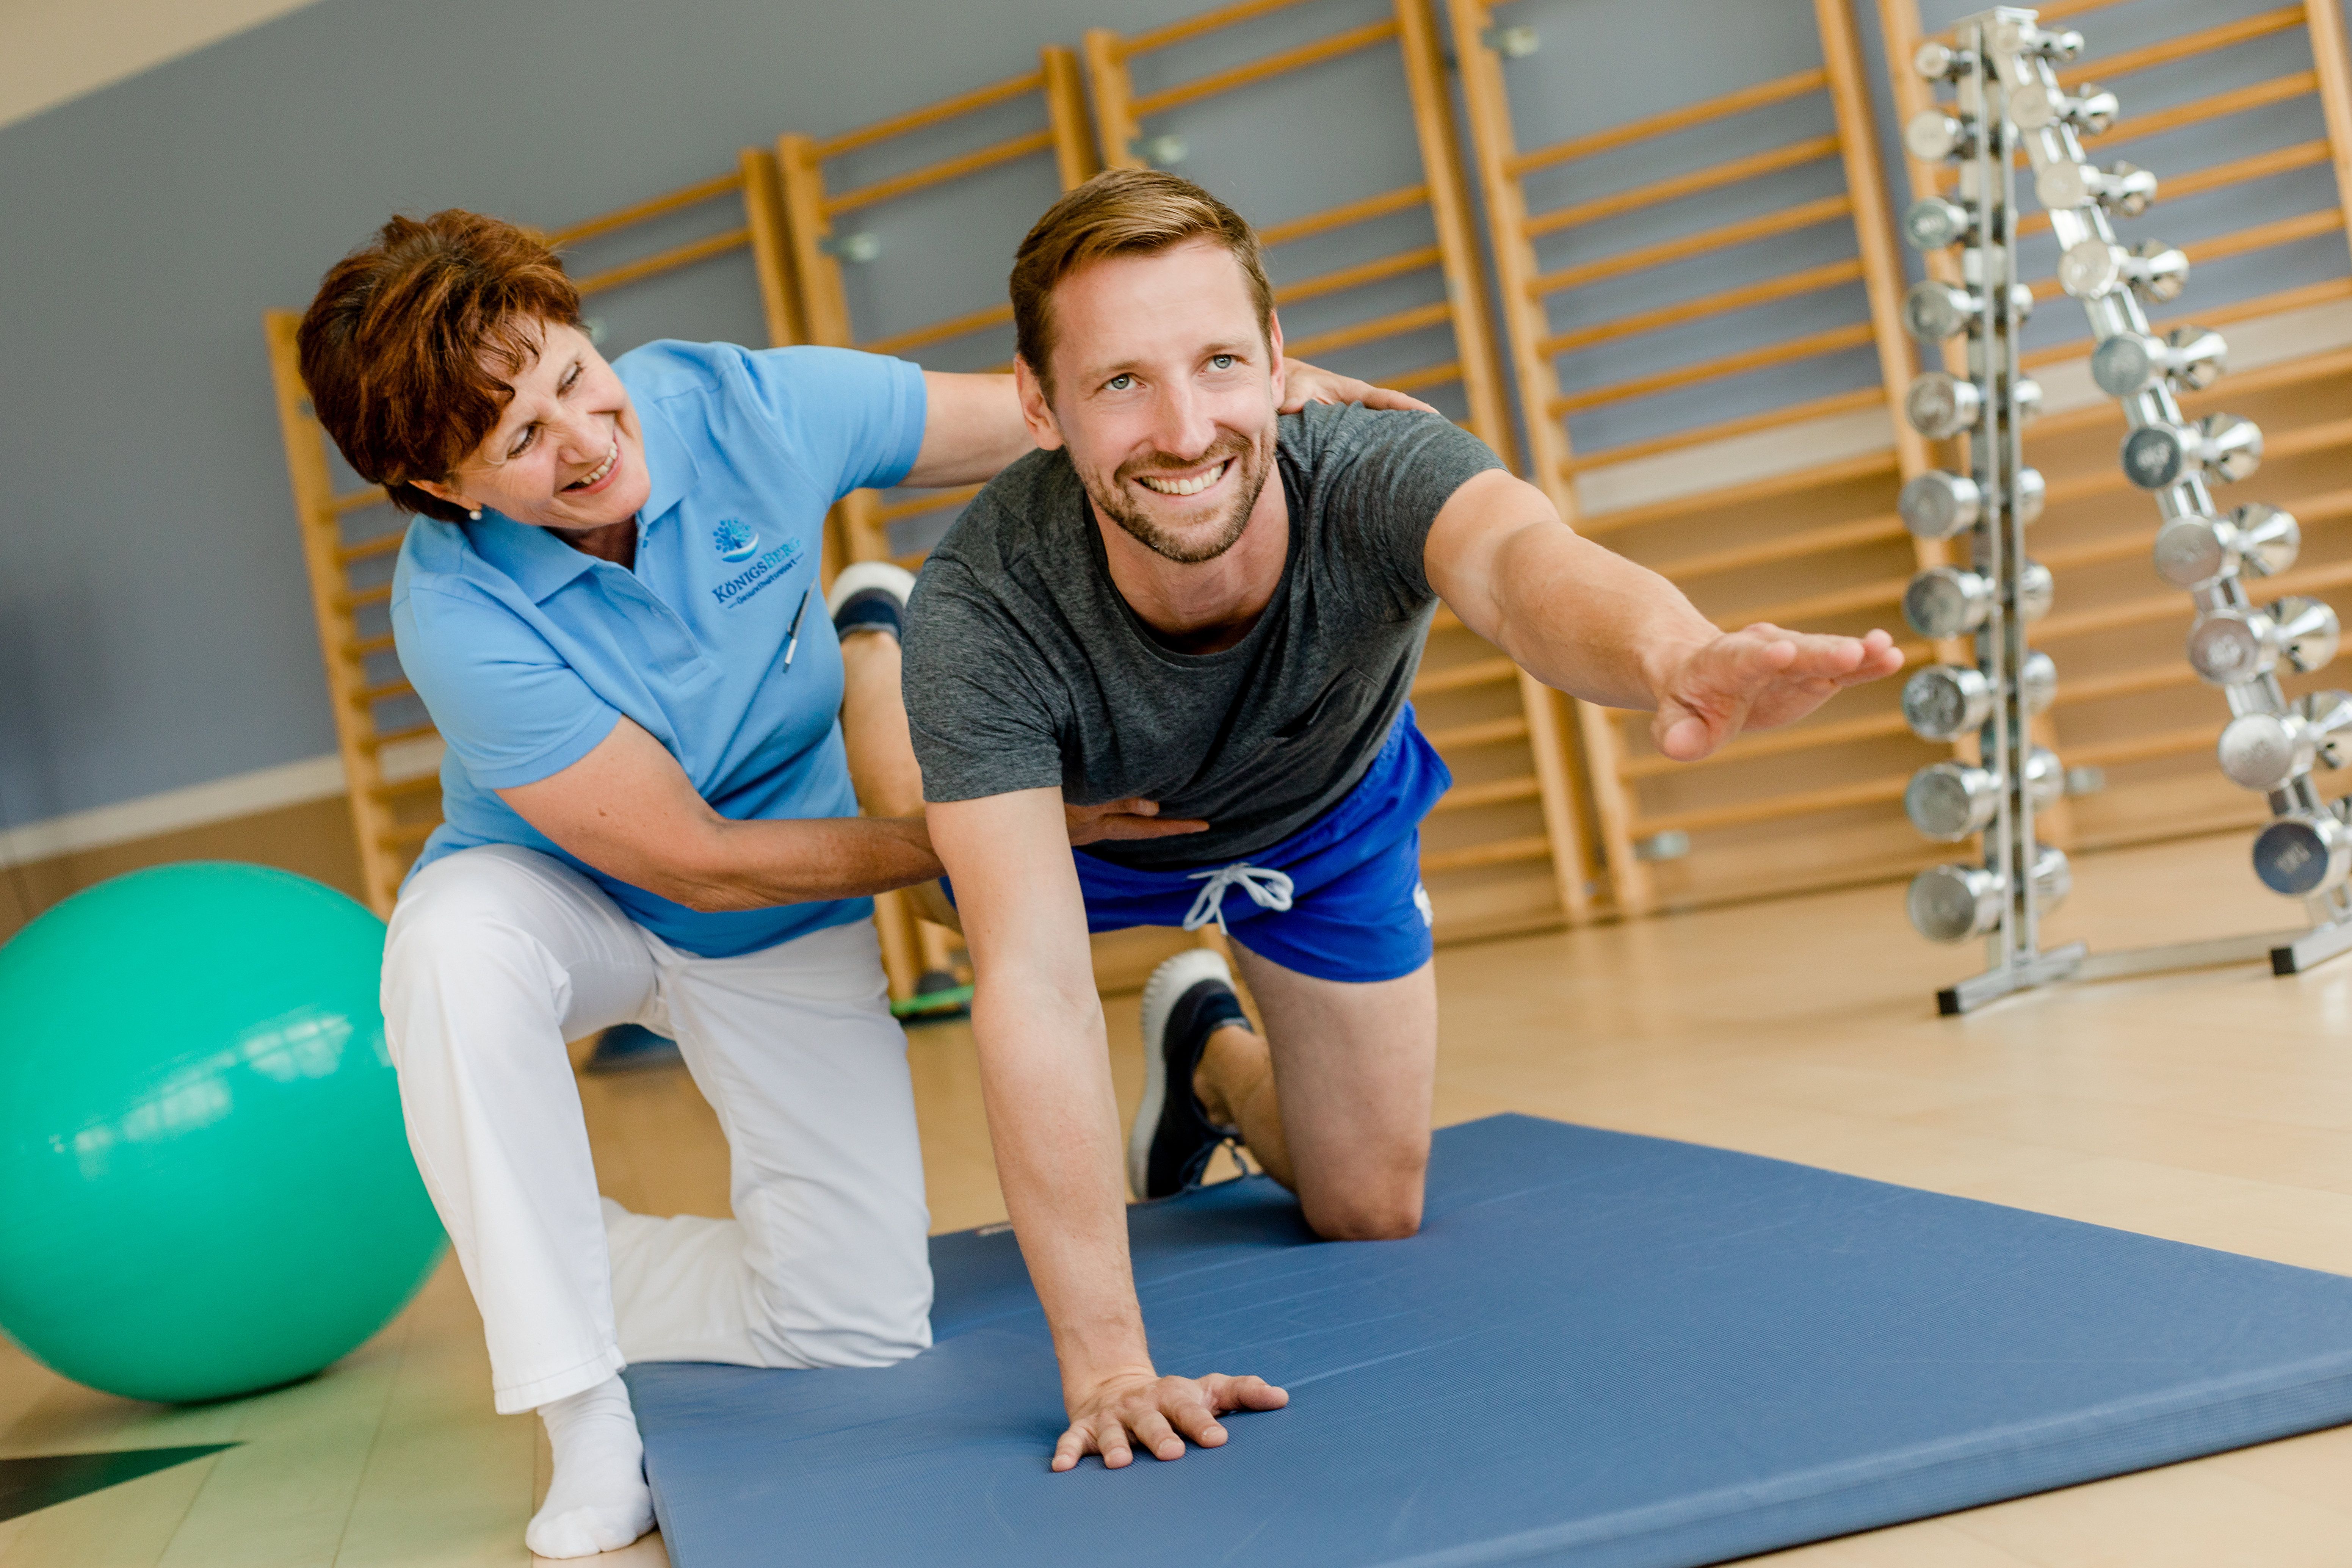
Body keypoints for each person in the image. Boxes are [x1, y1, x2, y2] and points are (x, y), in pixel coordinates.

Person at [294, 209, 1411, 1558]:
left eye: (574, 378)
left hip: (787, 897)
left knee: (855, 1322)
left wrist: (1288, 398)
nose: (586, 438)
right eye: (519, 439)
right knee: (447, 953)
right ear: (443, 487)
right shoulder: (455, 608)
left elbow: (1034, 409)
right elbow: (687, 860)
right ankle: (576, 1402)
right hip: (574, 890)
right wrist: (1003, 826)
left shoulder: (735, 405)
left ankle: (549, 1251)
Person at [899, 170, 1905, 1474]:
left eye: (1216, 363)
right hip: (1083, 832)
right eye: (1120, 383)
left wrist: (1677, 649)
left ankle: (1202, 1042)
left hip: (1319, 819)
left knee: (1369, 1204)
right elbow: (1032, 988)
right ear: (1040, 406)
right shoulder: (980, 611)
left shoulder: (1371, 467)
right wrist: (1109, 1366)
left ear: (1278, 360)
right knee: (929, 855)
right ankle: (863, 639)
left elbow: (1519, 563)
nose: (1187, 426)